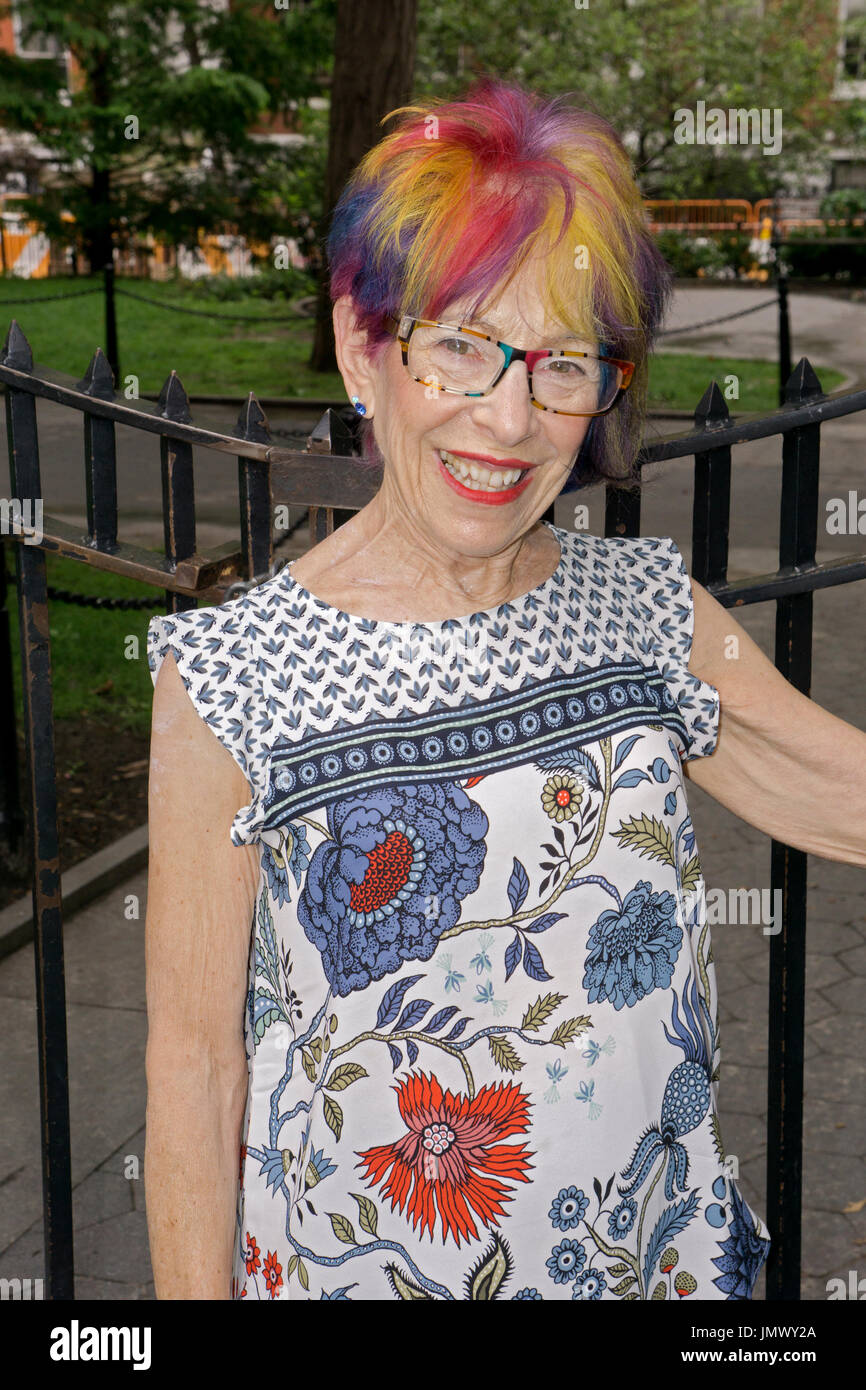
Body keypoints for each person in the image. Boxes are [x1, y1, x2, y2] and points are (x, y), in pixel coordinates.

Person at [144, 78, 866, 1302]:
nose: (510, 418)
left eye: (561, 364)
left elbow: (834, 786)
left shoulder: (642, 614)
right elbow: (193, 1065)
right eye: (461, 347)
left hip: (654, 1273)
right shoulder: (232, 676)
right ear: (363, 350)